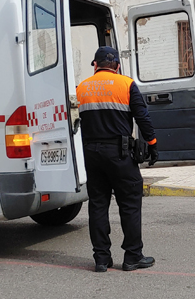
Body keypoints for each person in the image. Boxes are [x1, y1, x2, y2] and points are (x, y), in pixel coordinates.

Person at [76, 46, 159, 272]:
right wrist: (152, 145)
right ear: (118, 66)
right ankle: (133, 256)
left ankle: (101, 259)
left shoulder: (82, 88)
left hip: (92, 154)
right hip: (120, 153)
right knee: (130, 203)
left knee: (98, 205)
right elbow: (142, 117)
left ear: (95, 65)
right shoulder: (126, 84)